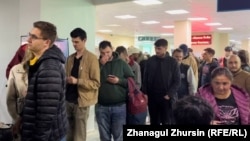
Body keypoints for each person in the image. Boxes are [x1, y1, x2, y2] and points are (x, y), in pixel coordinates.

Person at [21, 21, 68, 141]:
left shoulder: (49, 68)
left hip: (48, 136)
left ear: (46, 43)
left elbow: (46, 115)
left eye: (34, 37)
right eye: (29, 35)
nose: (28, 39)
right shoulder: (41, 62)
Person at [65, 28, 100, 141]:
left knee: (79, 136)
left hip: (81, 102)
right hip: (67, 101)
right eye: (73, 42)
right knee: (68, 134)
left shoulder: (92, 58)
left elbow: (96, 83)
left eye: (77, 42)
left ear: (84, 40)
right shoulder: (70, 58)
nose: (74, 44)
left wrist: (78, 81)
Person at [96, 40, 134, 141]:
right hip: (101, 106)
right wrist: (101, 65)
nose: (106, 55)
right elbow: (92, 79)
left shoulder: (121, 63)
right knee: (104, 136)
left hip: (119, 106)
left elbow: (131, 82)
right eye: (102, 53)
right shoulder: (96, 64)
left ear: (112, 49)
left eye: (108, 52)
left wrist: (119, 81)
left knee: (119, 135)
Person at [142, 38, 180, 125]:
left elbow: (177, 81)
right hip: (152, 97)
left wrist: (169, 94)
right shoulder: (150, 61)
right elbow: (145, 78)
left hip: (166, 97)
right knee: (154, 121)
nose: (157, 50)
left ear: (165, 48)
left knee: (166, 121)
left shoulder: (172, 62)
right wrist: (145, 93)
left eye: (159, 48)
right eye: (156, 48)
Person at [6, 48, 34, 140]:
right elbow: (10, 99)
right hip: (21, 117)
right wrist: (17, 118)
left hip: (40, 121)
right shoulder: (15, 70)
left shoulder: (47, 68)